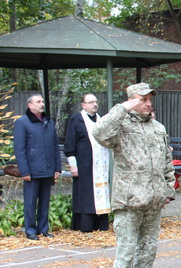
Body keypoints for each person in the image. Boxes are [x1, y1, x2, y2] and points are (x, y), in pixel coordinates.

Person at [92, 83, 176, 268]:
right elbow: (99, 133)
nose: (149, 103)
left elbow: (166, 161)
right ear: (131, 100)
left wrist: (168, 189)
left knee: (148, 248)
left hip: (153, 199)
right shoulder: (120, 125)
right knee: (127, 249)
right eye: (143, 99)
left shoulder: (157, 127)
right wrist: (122, 108)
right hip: (129, 198)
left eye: (150, 99)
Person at [13, 94, 61, 240]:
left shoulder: (49, 122)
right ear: (30, 105)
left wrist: (57, 168)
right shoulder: (23, 122)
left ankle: (43, 229)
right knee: (30, 201)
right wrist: (24, 171)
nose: (41, 104)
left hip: (47, 169)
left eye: (42, 101)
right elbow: (19, 149)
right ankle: (30, 230)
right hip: (32, 170)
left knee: (45, 201)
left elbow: (54, 146)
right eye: (38, 102)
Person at [63, 94, 111, 232]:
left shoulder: (100, 120)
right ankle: (86, 225)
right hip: (84, 164)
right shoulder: (77, 120)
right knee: (86, 194)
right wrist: (73, 165)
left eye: (95, 102)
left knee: (100, 191)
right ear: (83, 105)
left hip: (100, 165)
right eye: (90, 102)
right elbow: (70, 143)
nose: (94, 104)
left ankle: (101, 224)